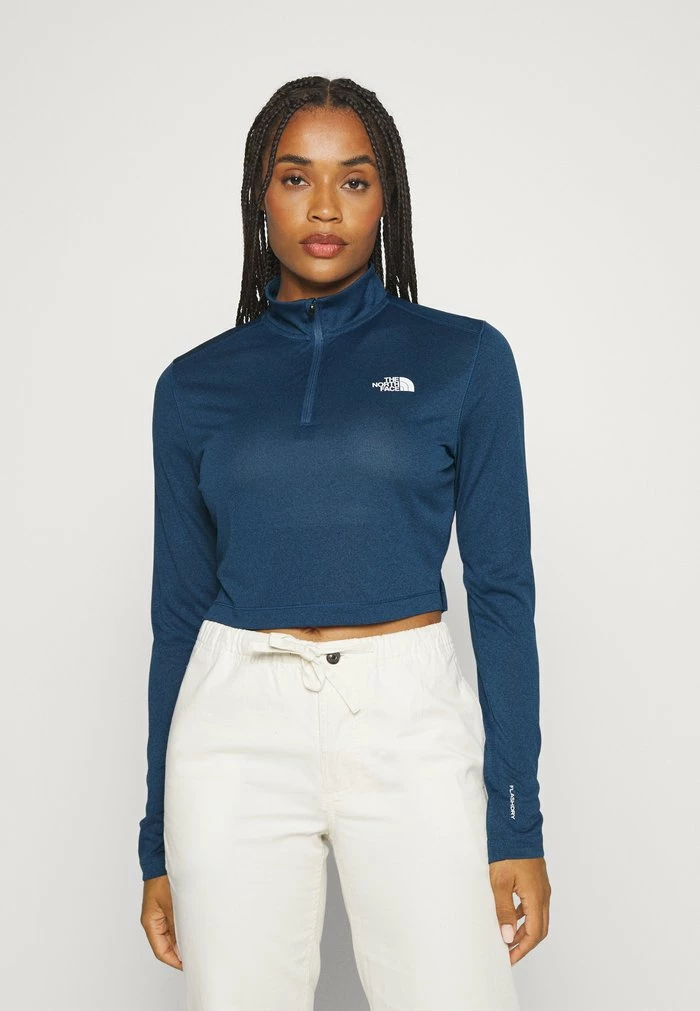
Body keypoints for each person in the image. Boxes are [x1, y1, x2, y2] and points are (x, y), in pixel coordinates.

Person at [138, 75, 551, 1010]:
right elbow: (176, 615)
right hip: (234, 722)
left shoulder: (466, 359)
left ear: (386, 197)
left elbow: (501, 592)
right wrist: (156, 840)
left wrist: (517, 818)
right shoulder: (193, 386)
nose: (324, 207)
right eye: (296, 177)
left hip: (408, 714)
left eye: (354, 180)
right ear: (260, 194)